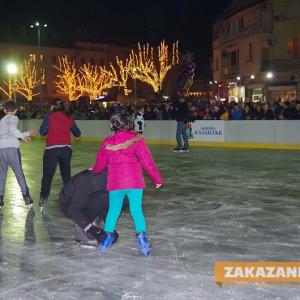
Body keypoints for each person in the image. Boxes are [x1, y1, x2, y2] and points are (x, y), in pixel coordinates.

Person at [91, 112, 163, 257]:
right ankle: (142, 241)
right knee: (136, 210)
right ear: (130, 124)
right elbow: (147, 161)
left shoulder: (108, 142)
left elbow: (100, 163)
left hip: (116, 182)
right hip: (135, 182)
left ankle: (106, 240)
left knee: (113, 211)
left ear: (113, 125)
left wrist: (95, 170)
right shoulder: (137, 140)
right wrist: (157, 179)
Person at [39, 98, 81, 210]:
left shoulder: (50, 117)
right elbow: (78, 134)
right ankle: (70, 197)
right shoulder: (69, 117)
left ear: (53, 106)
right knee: (66, 175)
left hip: (52, 149)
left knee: (48, 175)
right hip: (66, 149)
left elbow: (42, 132)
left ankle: (43, 198)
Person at [60, 169, 119, 246]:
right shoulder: (88, 180)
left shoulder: (107, 179)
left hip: (86, 199)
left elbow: (107, 205)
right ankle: (82, 228)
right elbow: (73, 210)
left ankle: (93, 220)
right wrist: (93, 230)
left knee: (109, 197)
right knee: (103, 196)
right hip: (68, 204)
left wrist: (109, 227)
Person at [0, 101, 36, 208]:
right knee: (19, 173)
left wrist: (23, 136)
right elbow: (13, 129)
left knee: (2, 175)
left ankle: (0, 199)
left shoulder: (2, 120)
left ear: (5, 110)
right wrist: (26, 133)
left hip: (1, 150)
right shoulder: (14, 118)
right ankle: (27, 198)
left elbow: (8, 132)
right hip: (12, 150)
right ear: (15, 110)